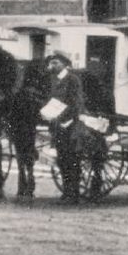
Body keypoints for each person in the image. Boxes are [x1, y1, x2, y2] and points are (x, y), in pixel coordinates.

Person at [44, 51, 86, 204]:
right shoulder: (55, 80)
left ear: (64, 64)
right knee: (62, 159)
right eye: (51, 63)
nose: (52, 65)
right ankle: (67, 190)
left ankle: (73, 192)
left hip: (70, 124)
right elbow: (53, 100)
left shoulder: (72, 79)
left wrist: (64, 116)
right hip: (58, 125)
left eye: (55, 63)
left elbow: (76, 102)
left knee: (72, 159)